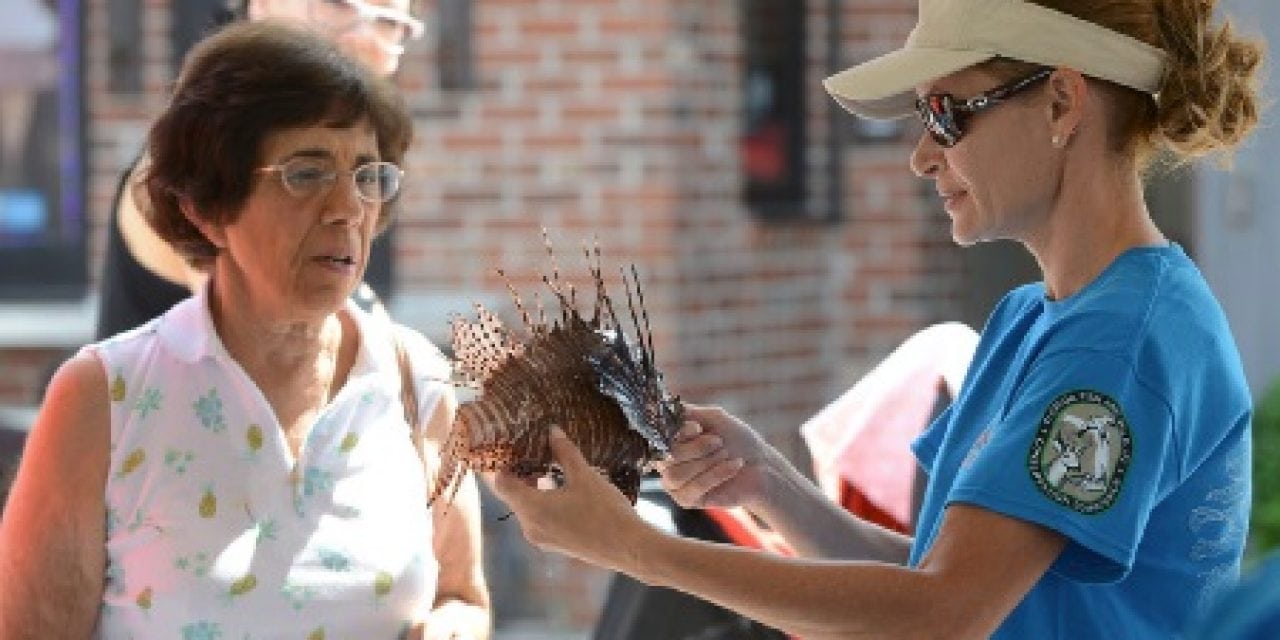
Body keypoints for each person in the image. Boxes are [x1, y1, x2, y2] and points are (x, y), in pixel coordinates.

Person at [487, 0, 1262, 637]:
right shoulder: (1038, 317)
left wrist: (635, 549)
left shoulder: (1120, 339)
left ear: (1062, 101)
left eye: (948, 113)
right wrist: (773, 485)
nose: (923, 156)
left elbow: (943, 615)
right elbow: (938, 579)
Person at [0, 21, 489, 639]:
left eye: (367, 175)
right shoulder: (101, 398)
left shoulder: (417, 384)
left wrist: (452, 629)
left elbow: (463, 597)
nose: (347, 208)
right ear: (208, 207)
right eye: (306, 173)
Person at [96, 0, 424, 339]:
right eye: (338, 4)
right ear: (261, 4)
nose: (365, 37)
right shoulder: (196, 165)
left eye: (388, 20)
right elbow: (288, 350)